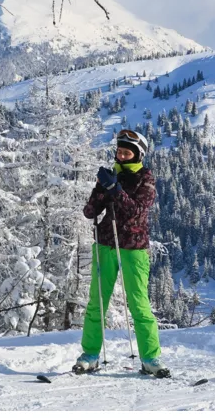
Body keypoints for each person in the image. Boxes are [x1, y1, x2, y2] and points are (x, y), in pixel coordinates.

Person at [73, 129, 169, 378]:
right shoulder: (110, 175)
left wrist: (115, 189)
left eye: (127, 152)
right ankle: (89, 355)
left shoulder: (145, 178)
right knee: (97, 302)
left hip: (134, 248)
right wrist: (100, 189)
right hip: (105, 243)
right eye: (119, 151)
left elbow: (137, 211)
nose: (122, 156)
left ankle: (150, 358)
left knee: (139, 304)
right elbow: (89, 211)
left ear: (139, 154)